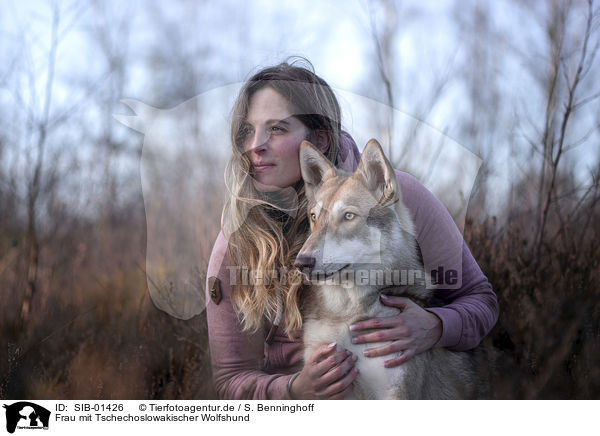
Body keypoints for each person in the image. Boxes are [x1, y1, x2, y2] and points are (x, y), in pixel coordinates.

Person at [205, 58, 499, 400]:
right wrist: (292, 389)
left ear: (320, 140)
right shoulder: (239, 239)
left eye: (277, 129)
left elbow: (482, 300)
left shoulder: (401, 198)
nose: (255, 145)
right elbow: (227, 381)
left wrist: (436, 326)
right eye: (247, 130)